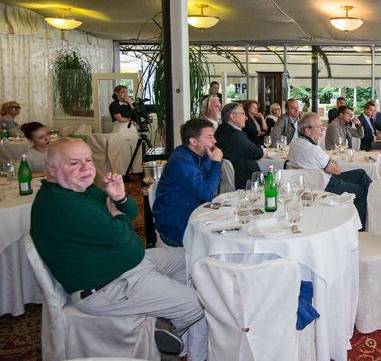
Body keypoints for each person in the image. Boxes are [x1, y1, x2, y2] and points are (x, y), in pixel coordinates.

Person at [30, 139, 204, 358]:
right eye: (74, 163)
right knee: (195, 305)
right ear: (52, 170)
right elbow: (122, 233)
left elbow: (131, 212)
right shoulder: (61, 204)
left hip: (129, 265)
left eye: (88, 160)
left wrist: (120, 197)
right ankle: (159, 337)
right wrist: (118, 217)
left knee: (189, 257)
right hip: (107, 287)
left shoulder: (80, 190)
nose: (86, 168)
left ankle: (162, 318)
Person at [287, 113, 371, 229]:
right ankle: (359, 229)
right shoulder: (313, 149)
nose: (323, 128)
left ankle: (375, 201)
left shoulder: (295, 144)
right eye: (319, 126)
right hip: (325, 185)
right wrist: (329, 162)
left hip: (312, 182)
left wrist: (327, 162)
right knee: (360, 191)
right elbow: (336, 170)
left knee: (361, 174)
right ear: (307, 130)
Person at [153, 119, 223, 247]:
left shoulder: (202, 155)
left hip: (194, 215)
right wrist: (216, 163)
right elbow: (207, 194)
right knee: (220, 242)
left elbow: (210, 185)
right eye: (209, 137)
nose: (214, 141)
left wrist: (212, 162)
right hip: (176, 228)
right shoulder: (182, 161)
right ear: (193, 141)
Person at [215, 102, 264, 190]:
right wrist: (259, 147)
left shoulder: (221, 129)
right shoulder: (235, 135)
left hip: (230, 177)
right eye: (242, 114)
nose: (246, 117)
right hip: (245, 180)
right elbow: (258, 153)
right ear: (233, 116)